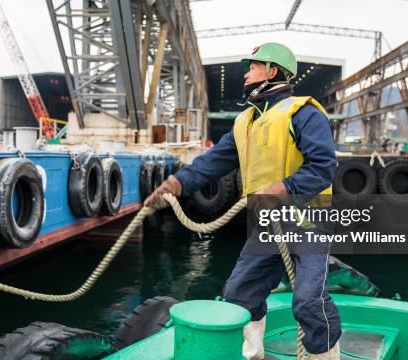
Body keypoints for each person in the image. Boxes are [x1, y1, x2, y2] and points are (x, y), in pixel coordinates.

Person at [145, 42, 341, 359]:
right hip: (266, 221)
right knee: (240, 292)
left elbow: (323, 167)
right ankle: (254, 353)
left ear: (273, 71)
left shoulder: (302, 112)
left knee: (308, 299)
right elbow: (214, 162)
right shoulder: (245, 121)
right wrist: (176, 184)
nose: (246, 73)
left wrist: (281, 188)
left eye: (252, 66)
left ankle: (325, 357)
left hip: (307, 220)